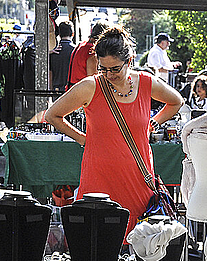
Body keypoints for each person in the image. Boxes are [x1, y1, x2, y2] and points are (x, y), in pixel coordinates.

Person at [46, 26, 184, 234]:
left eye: (115, 69)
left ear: (129, 62)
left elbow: (176, 101)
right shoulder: (90, 86)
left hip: (138, 176)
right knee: (98, 238)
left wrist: (154, 122)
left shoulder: (146, 83)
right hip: (99, 176)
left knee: (140, 239)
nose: (109, 74)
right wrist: (82, 139)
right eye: (103, 68)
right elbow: (52, 115)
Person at [67, 20, 110, 89]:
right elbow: (93, 81)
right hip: (81, 93)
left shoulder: (81, 45)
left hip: (73, 89)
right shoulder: (92, 52)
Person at [49, 21, 76, 91]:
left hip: (56, 90)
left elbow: (50, 74)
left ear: (59, 34)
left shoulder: (53, 51)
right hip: (71, 90)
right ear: (73, 34)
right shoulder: (76, 51)